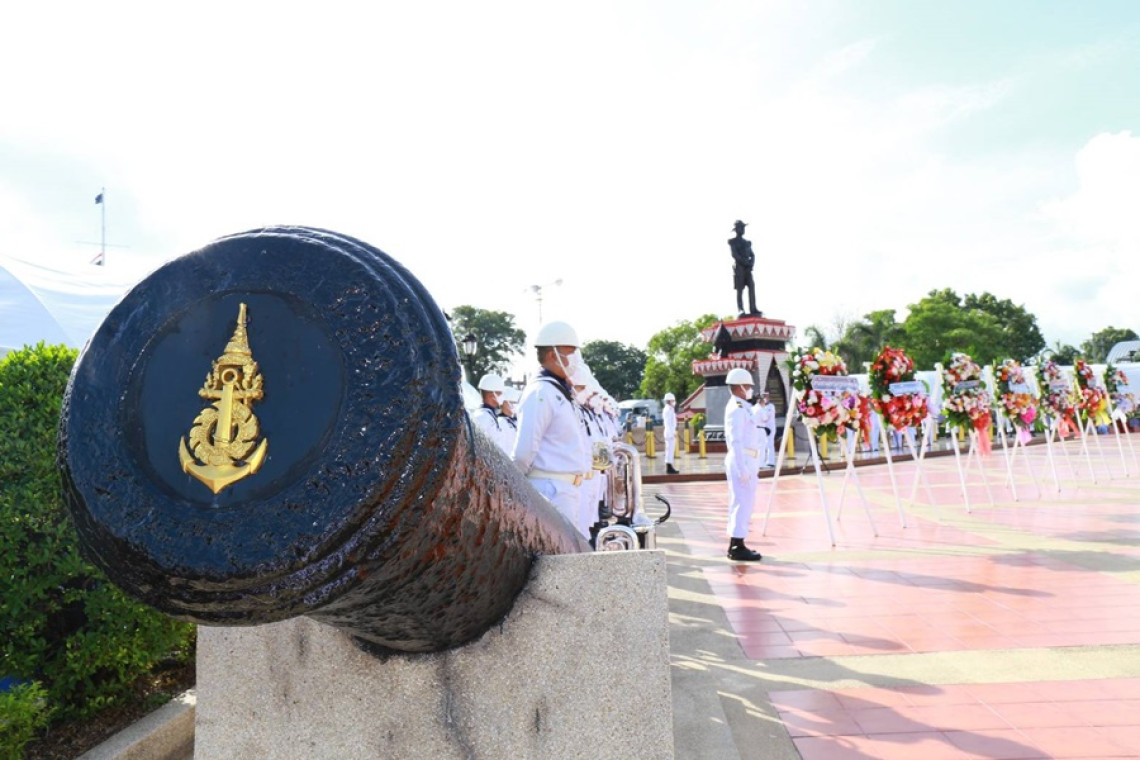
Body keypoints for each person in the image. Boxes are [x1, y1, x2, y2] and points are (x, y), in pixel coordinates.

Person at [512, 320, 591, 537]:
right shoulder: (541, 392)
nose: (574, 358)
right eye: (570, 352)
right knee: (559, 554)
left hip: (565, 489)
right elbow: (524, 451)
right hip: (550, 489)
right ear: (552, 355)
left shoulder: (558, 391)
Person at [723, 367, 763, 561]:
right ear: (739, 387)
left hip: (748, 459)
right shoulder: (736, 409)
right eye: (747, 386)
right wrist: (742, 468)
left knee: (744, 502)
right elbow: (736, 440)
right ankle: (736, 546)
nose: (750, 389)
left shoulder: (743, 406)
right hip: (742, 459)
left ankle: (738, 542)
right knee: (742, 502)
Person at [472, 373, 513, 454]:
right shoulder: (481, 417)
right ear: (491, 395)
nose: (503, 397)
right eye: (500, 393)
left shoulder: (489, 415)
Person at [728, 220, 760, 317]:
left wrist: (751, 263)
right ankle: (740, 309)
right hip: (739, 267)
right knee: (740, 289)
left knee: (751, 286)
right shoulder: (732, 242)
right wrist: (745, 262)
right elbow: (734, 254)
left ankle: (753, 308)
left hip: (748, 268)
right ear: (736, 229)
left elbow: (752, 255)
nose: (742, 230)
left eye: (743, 228)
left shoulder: (747, 243)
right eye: (740, 228)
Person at [756, 391, 777, 467]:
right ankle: (762, 461)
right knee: (762, 445)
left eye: (766, 396)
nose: (764, 398)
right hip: (762, 428)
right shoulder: (760, 407)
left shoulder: (771, 406)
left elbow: (766, 417)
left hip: (769, 428)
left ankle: (770, 461)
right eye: (763, 396)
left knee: (769, 444)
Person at [663, 392, 679, 474]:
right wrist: (672, 433)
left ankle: (670, 466)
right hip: (669, 433)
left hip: (670, 432)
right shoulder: (668, 410)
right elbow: (668, 423)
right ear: (669, 401)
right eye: (672, 400)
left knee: (670, 450)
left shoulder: (670, 409)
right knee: (669, 450)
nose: (674, 402)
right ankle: (669, 467)